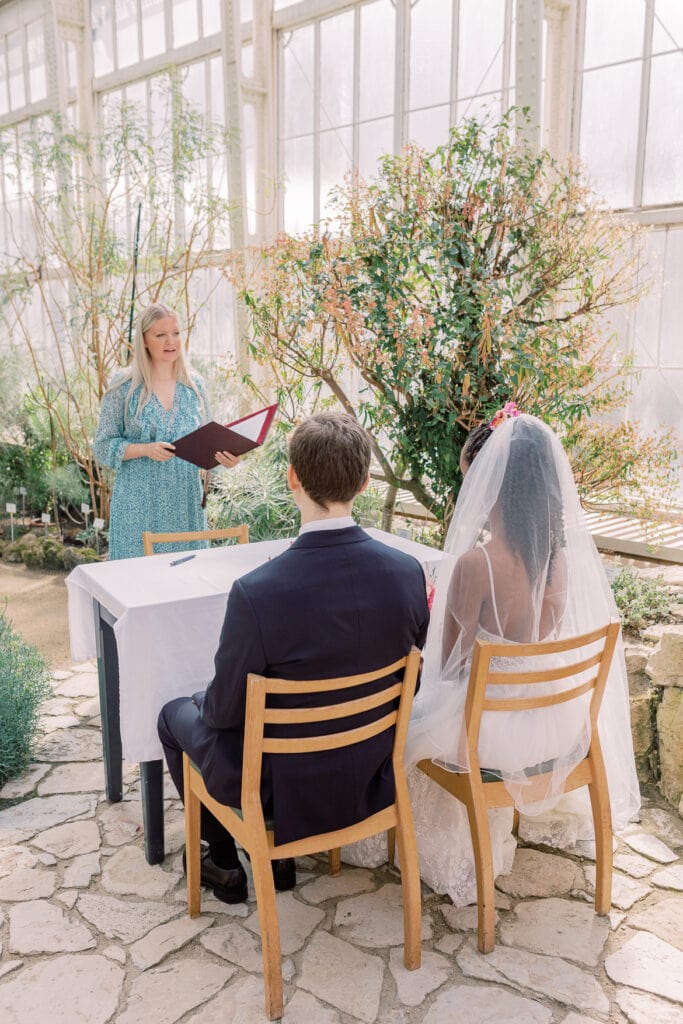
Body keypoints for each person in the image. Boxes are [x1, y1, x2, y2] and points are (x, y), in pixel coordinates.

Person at [346, 409, 640, 905]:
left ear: (497, 489)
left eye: (474, 482)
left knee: (398, 723)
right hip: (556, 721)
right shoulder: (558, 558)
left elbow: (452, 664)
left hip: (493, 733)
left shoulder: (475, 565)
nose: (471, 495)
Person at [157, 411, 430, 903]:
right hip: (367, 772)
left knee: (174, 714)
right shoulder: (408, 573)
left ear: (292, 478)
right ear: (365, 482)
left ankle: (223, 862)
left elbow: (221, 714)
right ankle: (277, 862)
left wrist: (202, 701)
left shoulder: (257, 592)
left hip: (278, 788)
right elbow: (412, 679)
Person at [93, 302, 239, 560]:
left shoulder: (195, 386)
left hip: (185, 503)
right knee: (138, 585)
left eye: (175, 332)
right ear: (144, 340)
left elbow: (207, 445)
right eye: (160, 334)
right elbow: (103, 446)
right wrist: (144, 449)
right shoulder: (123, 385)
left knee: (187, 583)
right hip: (138, 505)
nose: (170, 341)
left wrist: (226, 460)